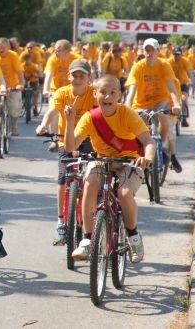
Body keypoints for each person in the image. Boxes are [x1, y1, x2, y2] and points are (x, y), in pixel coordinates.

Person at [64, 75, 155, 263]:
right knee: (89, 185)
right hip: (102, 160)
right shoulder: (90, 117)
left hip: (129, 161)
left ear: (119, 95)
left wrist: (147, 158)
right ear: (95, 94)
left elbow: (148, 141)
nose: (107, 97)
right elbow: (70, 146)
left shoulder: (127, 113)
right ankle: (87, 239)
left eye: (112, 92)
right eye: (103, 92)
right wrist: (70, 120)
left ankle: (133, 236)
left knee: (124, 193)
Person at [36, 59, 97, 245]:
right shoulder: (62, 93)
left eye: (82, 76)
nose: (77, 79)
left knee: (93, 176)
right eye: (74, 75)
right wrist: (43, 125)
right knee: (63, 178)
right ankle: (61, 221)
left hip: (88, 140)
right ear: (68, 76)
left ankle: (94, 213)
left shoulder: (94, 94)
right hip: (67, 140)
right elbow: (52, 111)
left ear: (89, 77)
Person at [125, 38, 182, 172]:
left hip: (160, 101)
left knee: (164, 117)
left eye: (151, 50)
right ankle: (144, 153)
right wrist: (127, 106)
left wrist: (176, 104)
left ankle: (161, 147)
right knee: (141, 129)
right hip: (141, 103)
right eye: (146, 50)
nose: (149, 53)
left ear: (157, 51)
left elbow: (171, 88)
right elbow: (131, 90)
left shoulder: (164, 65)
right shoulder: (138, 66)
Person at [0, 37, 25, 136]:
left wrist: (21, 84)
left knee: (15, 107)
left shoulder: (13, 56)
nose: (0, 50)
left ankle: (14, 125)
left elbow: (19, 72)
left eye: (3, 48)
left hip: (12, 87)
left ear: (8, 47)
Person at [168, 46, 192, 127]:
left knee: (184, 99)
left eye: (178, 55)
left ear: (181, 54)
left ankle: (184, 118)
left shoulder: (185, 61)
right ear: (173, 54)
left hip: (183, 83)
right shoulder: (169, 61)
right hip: (172, 84)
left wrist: (190, 79)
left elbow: (189, 72)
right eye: (175, 54)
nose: (177, 56)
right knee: (169, 100)